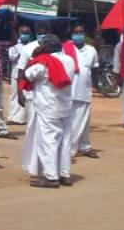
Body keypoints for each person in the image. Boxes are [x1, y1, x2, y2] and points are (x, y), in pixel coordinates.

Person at [21, 35, 76, 188]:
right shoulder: (70, 60)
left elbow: (27, 74)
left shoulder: (43, 63)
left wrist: (36, 55)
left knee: (48, 142)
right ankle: (64, 174)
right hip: (65, 106)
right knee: (65, 142)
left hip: (48, 107)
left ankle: (51, 177)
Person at [64, 24, 99, 159]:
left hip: (84, 90)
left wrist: (94, 86)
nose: (78, 34)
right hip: (68, 91)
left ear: (85, 34)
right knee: (72, 121)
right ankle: (71, 149)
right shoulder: (65, 48)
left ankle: (85, 147)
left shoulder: (91, 50)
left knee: (85, 121)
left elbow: (95, 69)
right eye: (75, 31)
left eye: (81, 32)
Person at [14, 21, 48, 122]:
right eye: (39, 33)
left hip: (49, 92)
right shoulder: (28, 48)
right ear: (36, 34)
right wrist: (20, 93)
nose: (42, 36)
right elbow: (21, 71)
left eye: (44, 33)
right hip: (32, 92)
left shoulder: (54, 47)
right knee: (33, 122)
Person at [6, 25, 33, 125]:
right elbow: (12, 58)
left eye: (27, 33)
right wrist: (22, 55)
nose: (25, 35)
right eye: (23, 33)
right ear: (20, 33)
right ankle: (13, 117)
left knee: (27, 95)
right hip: (16, 75)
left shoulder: (32, 46)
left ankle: (24, 118)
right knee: (15, 95)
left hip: (29, 75)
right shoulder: (14, 47)